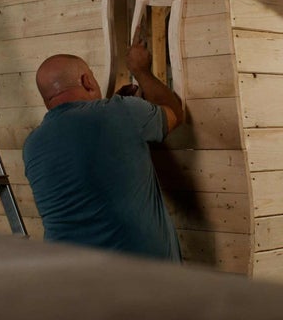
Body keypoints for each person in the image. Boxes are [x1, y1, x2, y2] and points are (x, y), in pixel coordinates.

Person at [22, 28, 184, 262]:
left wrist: (117, 108)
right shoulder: (122, 112)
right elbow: (175, 115)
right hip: (144, 278)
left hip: (68, 276)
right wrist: (141, 70)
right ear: (87, 81)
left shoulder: (32, 145)